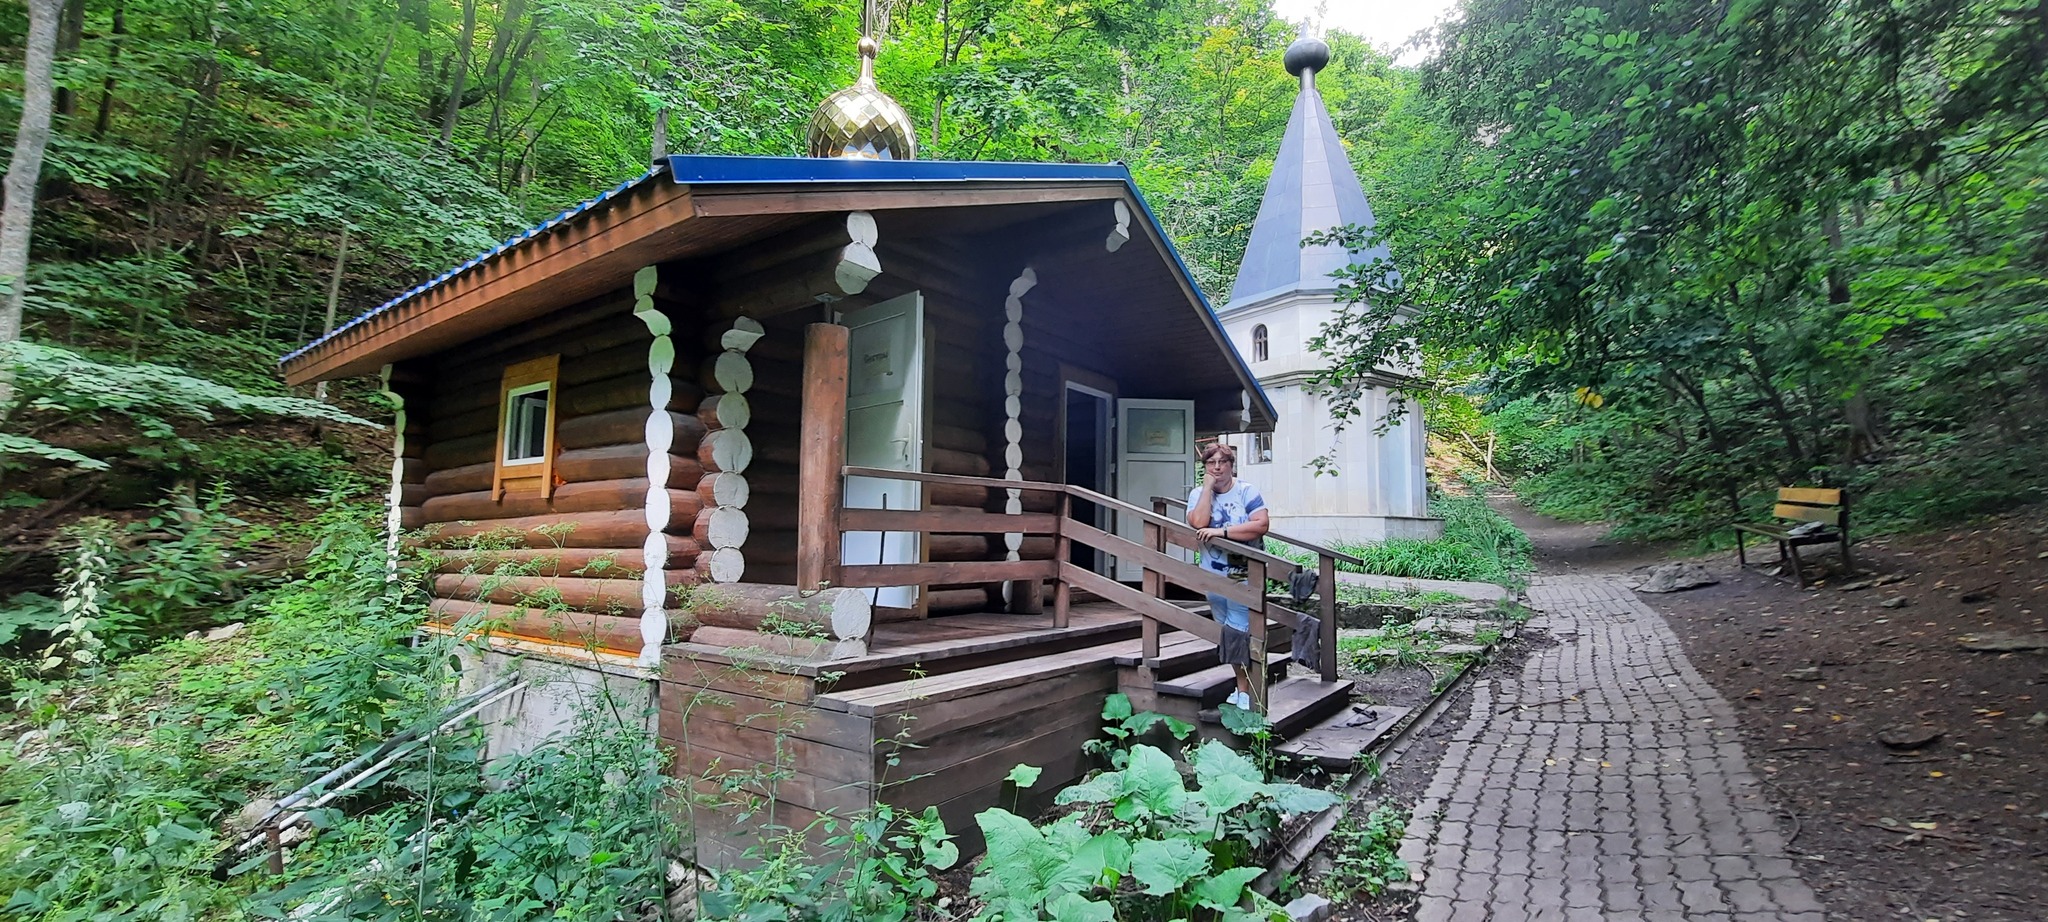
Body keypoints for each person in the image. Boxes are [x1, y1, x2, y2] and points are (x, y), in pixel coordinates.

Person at [1186, 441, 1270, 711]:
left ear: (1232, 465)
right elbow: (1198, 522)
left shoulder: (1247, 492)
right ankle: (1242, 686)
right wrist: (1208, 489)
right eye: (1211, 463)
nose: (1217, 467)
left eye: (1223, 462)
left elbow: (1261, 525)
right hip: (1213, 576)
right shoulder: (1199, 493)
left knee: (1240, 631)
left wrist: (1222, 533)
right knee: (1228, 631)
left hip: (1244, 575)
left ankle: (1246, 692)